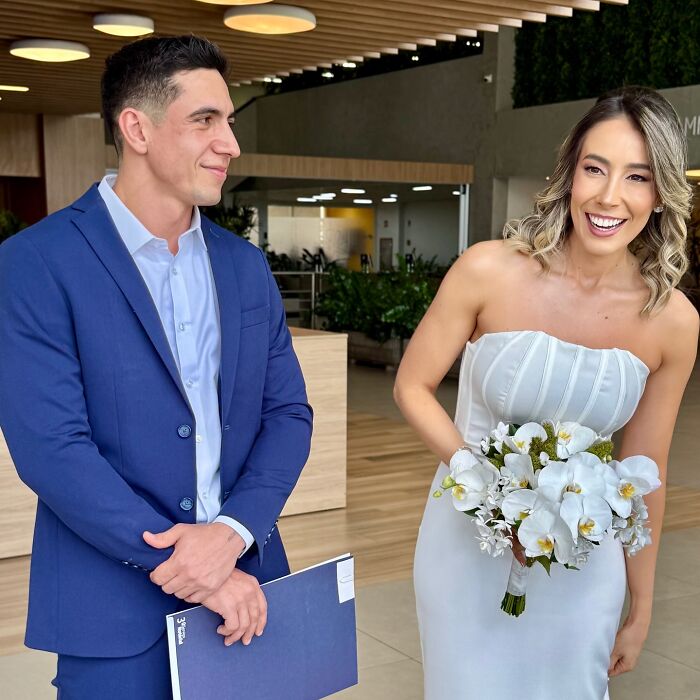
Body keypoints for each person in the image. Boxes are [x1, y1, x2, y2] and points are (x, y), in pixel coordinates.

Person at [0, 35, 312, 698]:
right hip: (108, 610)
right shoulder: (36, 263)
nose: (229, 143)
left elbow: (287, 413)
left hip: (246, 593)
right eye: (205, 120)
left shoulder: (244, 266)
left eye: (229, 122)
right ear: (136, 128)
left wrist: (230, 536)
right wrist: (195, 566)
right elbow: (53, 448)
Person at [394, 86, 698, 699]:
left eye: (637, 177)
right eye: (595, 168)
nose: (610, 196)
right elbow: (413, 385)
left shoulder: (673, 321)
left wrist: (640, 606)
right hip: (466, 544)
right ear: (569, 174)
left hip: (584, 564)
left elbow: (647, 470)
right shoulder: (488, 269)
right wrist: (483, 492)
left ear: (661, 192)